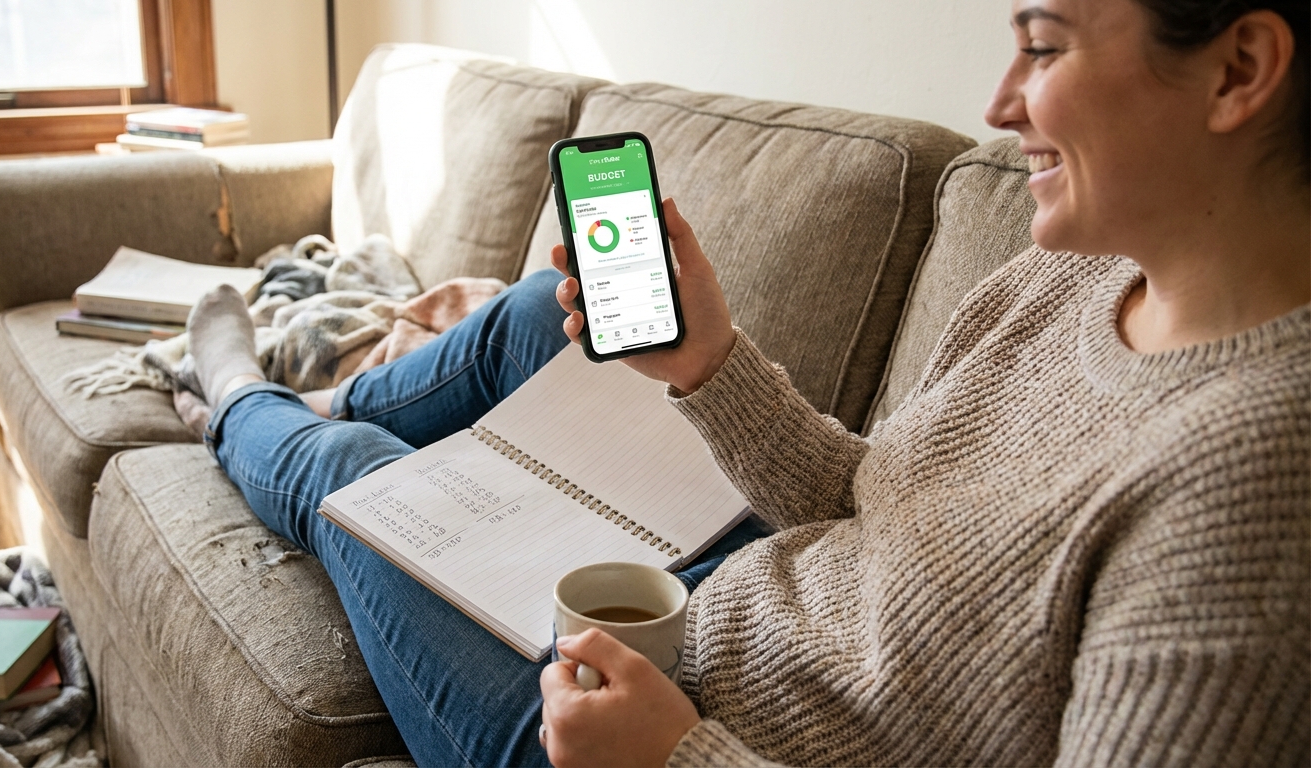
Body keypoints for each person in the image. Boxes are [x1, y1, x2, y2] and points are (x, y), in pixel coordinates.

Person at [189, 0, 1309, 764]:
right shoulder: (1070, 278)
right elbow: (880, 497)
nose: (1001, 101)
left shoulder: (1251, 481)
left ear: (1238, 70)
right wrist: (708, 362)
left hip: (628, 727)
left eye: (1045, 45)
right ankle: (327, 400)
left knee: (361, 480)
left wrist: (678, 753)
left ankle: (236, 397)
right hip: (715, 605)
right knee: (541, 313)